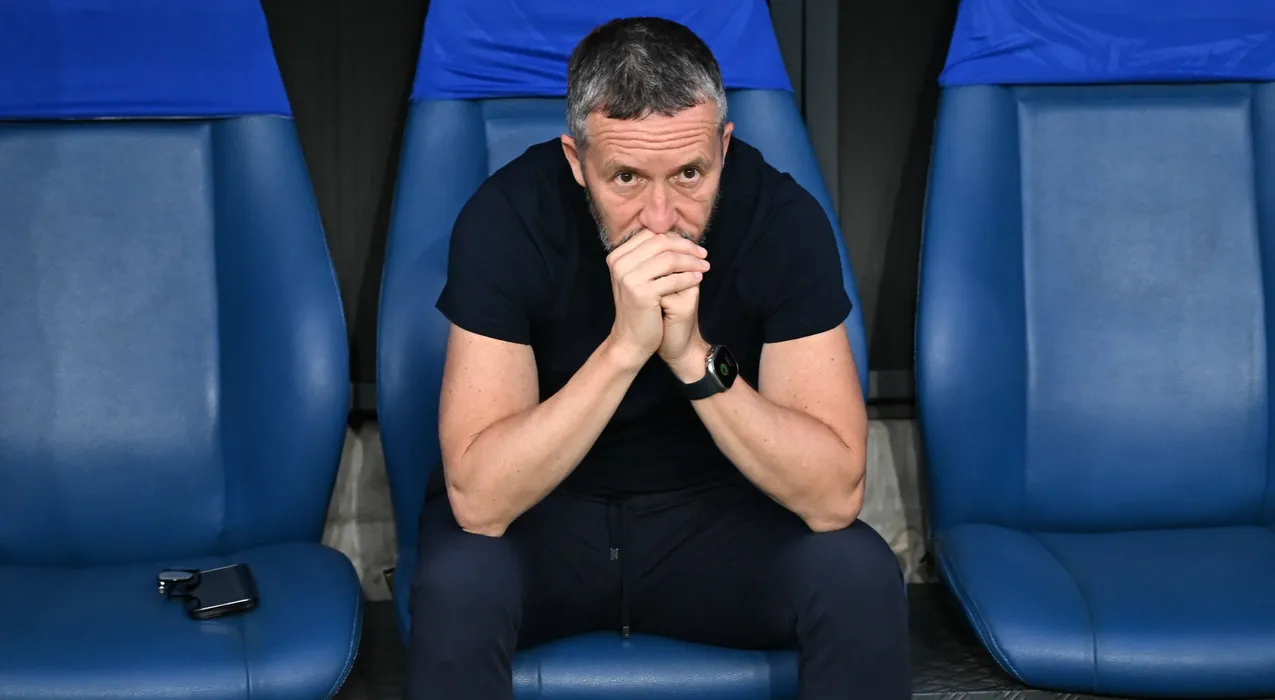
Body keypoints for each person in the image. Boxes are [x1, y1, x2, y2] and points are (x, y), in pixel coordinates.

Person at [405, 16, 910, 700]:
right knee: (457, 584)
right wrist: (623, 349)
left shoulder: (781, 218)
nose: (661, 217)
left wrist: (692, 357)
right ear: (576, 161)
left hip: (722, 520)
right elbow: (480, 500)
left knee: (858, 574)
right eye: (625, 178)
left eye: (690, 173)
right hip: (546, 522)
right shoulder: (508, 217)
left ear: (723, 147)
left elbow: (832, 496)